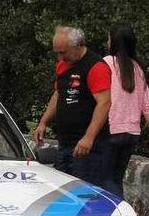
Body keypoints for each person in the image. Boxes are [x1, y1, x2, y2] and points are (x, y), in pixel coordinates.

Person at [32, 26, 111, 185]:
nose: (60, 57)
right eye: (57, 52)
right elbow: (58, 94)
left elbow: (104, 103)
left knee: (83, 193)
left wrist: (89, 137)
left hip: (87, 147)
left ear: (78, 46)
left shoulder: (95, 66)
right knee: (62, 190)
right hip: (65, 143)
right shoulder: (62, 65)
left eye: (63, 52)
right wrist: (43, 122)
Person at [100, 22, 149, 198]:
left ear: (113, 41)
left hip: (111, 130)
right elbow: (146, 100)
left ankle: (120, 215)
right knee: (116, 178)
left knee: (105, 179)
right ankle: (120, 212)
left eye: (109, 37)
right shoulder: (138, 68)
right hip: (132, 133)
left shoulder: (106, 63)